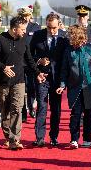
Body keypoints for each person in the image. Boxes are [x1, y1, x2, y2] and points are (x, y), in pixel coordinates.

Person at [0, 16, 46, 150]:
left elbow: (29, 59)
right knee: (5, 111)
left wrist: (38, 72)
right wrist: (3, 67)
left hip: (19, 81)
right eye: (22, 29)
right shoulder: (0, 38)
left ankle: (14, 140)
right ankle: (7, 135)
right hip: (2, 81)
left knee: (17, 109)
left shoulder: (24, 41)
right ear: (14, 29)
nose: (24, 32)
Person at [56, 25, 91, 148]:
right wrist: (62, 85)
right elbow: (64, 70)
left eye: (75, 41)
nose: (73, 44)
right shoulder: (69, 51)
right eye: (71, 41)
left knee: (90, 114)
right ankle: (74, 139)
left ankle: (87, 139)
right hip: (75, 88)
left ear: (81, 38)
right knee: (75, 114)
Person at [30, 12, 68, 147]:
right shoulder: (38, 35)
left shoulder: (64, 37)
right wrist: (38, 60)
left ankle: (54, 137)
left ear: (59, 25)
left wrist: (65, 81)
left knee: (56, 109)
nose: (52, 31)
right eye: (49, 28)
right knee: (41, 107)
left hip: (57, 79)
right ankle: (39, 137)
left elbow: (67, 59)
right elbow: (28, 55)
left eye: (54, 28)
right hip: (42, 78)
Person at [17, 6, 41, 122]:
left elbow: (38, 44)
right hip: (20, 61)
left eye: (28, 15)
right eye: (24, 15)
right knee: (21, 87)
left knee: (31, 87)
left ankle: (31, 107)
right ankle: (23, 112)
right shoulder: (17, 26)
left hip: (31, 61)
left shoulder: (35, 27)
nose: (26, 18)